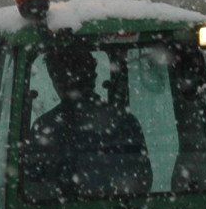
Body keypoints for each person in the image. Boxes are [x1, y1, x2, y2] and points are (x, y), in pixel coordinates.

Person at [24, 40, 149, 198]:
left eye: (56, 76)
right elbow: (142, 181)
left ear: (56, 81)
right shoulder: (124, 121)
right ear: (93, 75)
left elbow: (33, 187)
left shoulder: (45, 127)